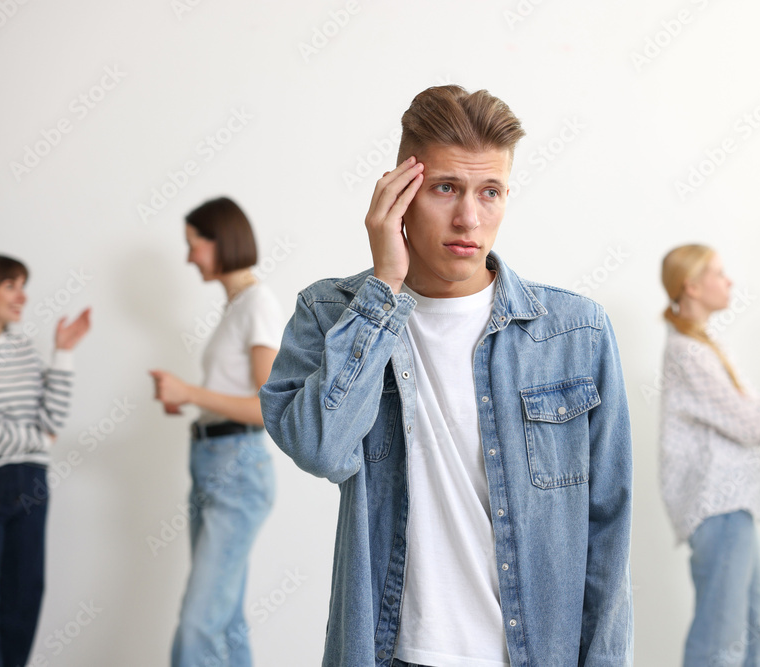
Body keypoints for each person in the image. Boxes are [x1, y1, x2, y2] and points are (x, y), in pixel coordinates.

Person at [259, 85, 633, 667]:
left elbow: (608, 530)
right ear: (399, 192)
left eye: (490, 192)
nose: (469, 217)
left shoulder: (575, 333)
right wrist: (382, 290)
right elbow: (322, 449)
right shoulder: (331, 314)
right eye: (445, 189)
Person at [149, 197, 283, 667]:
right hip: (212, 463)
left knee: (198, 628)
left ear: (219, 241)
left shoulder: (257, 304)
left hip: (237, 472)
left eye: (193, 245)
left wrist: (191, 392)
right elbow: (232, 396)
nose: (188, 258)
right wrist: (189, 399)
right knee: (224, 624)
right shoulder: (237, 307)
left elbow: (267, 410)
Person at [0, 254, 90, 666]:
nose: (22, 295)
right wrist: (38, 440)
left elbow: (53, 418)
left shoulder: (22, 347)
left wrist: (63, 353)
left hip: (32, 485)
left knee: (24, 600)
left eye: (22, 285)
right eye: (10, 286)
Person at [658, 245, 760, 667]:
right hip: (718, 505)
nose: (729, 282)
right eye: (719, 273)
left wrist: (755, 410)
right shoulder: (687, 352)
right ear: (691, 285)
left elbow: (751, 415)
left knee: (755, 628)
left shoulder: (706, 346)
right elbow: (754, 422)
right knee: (721, 639)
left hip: (735, 505)